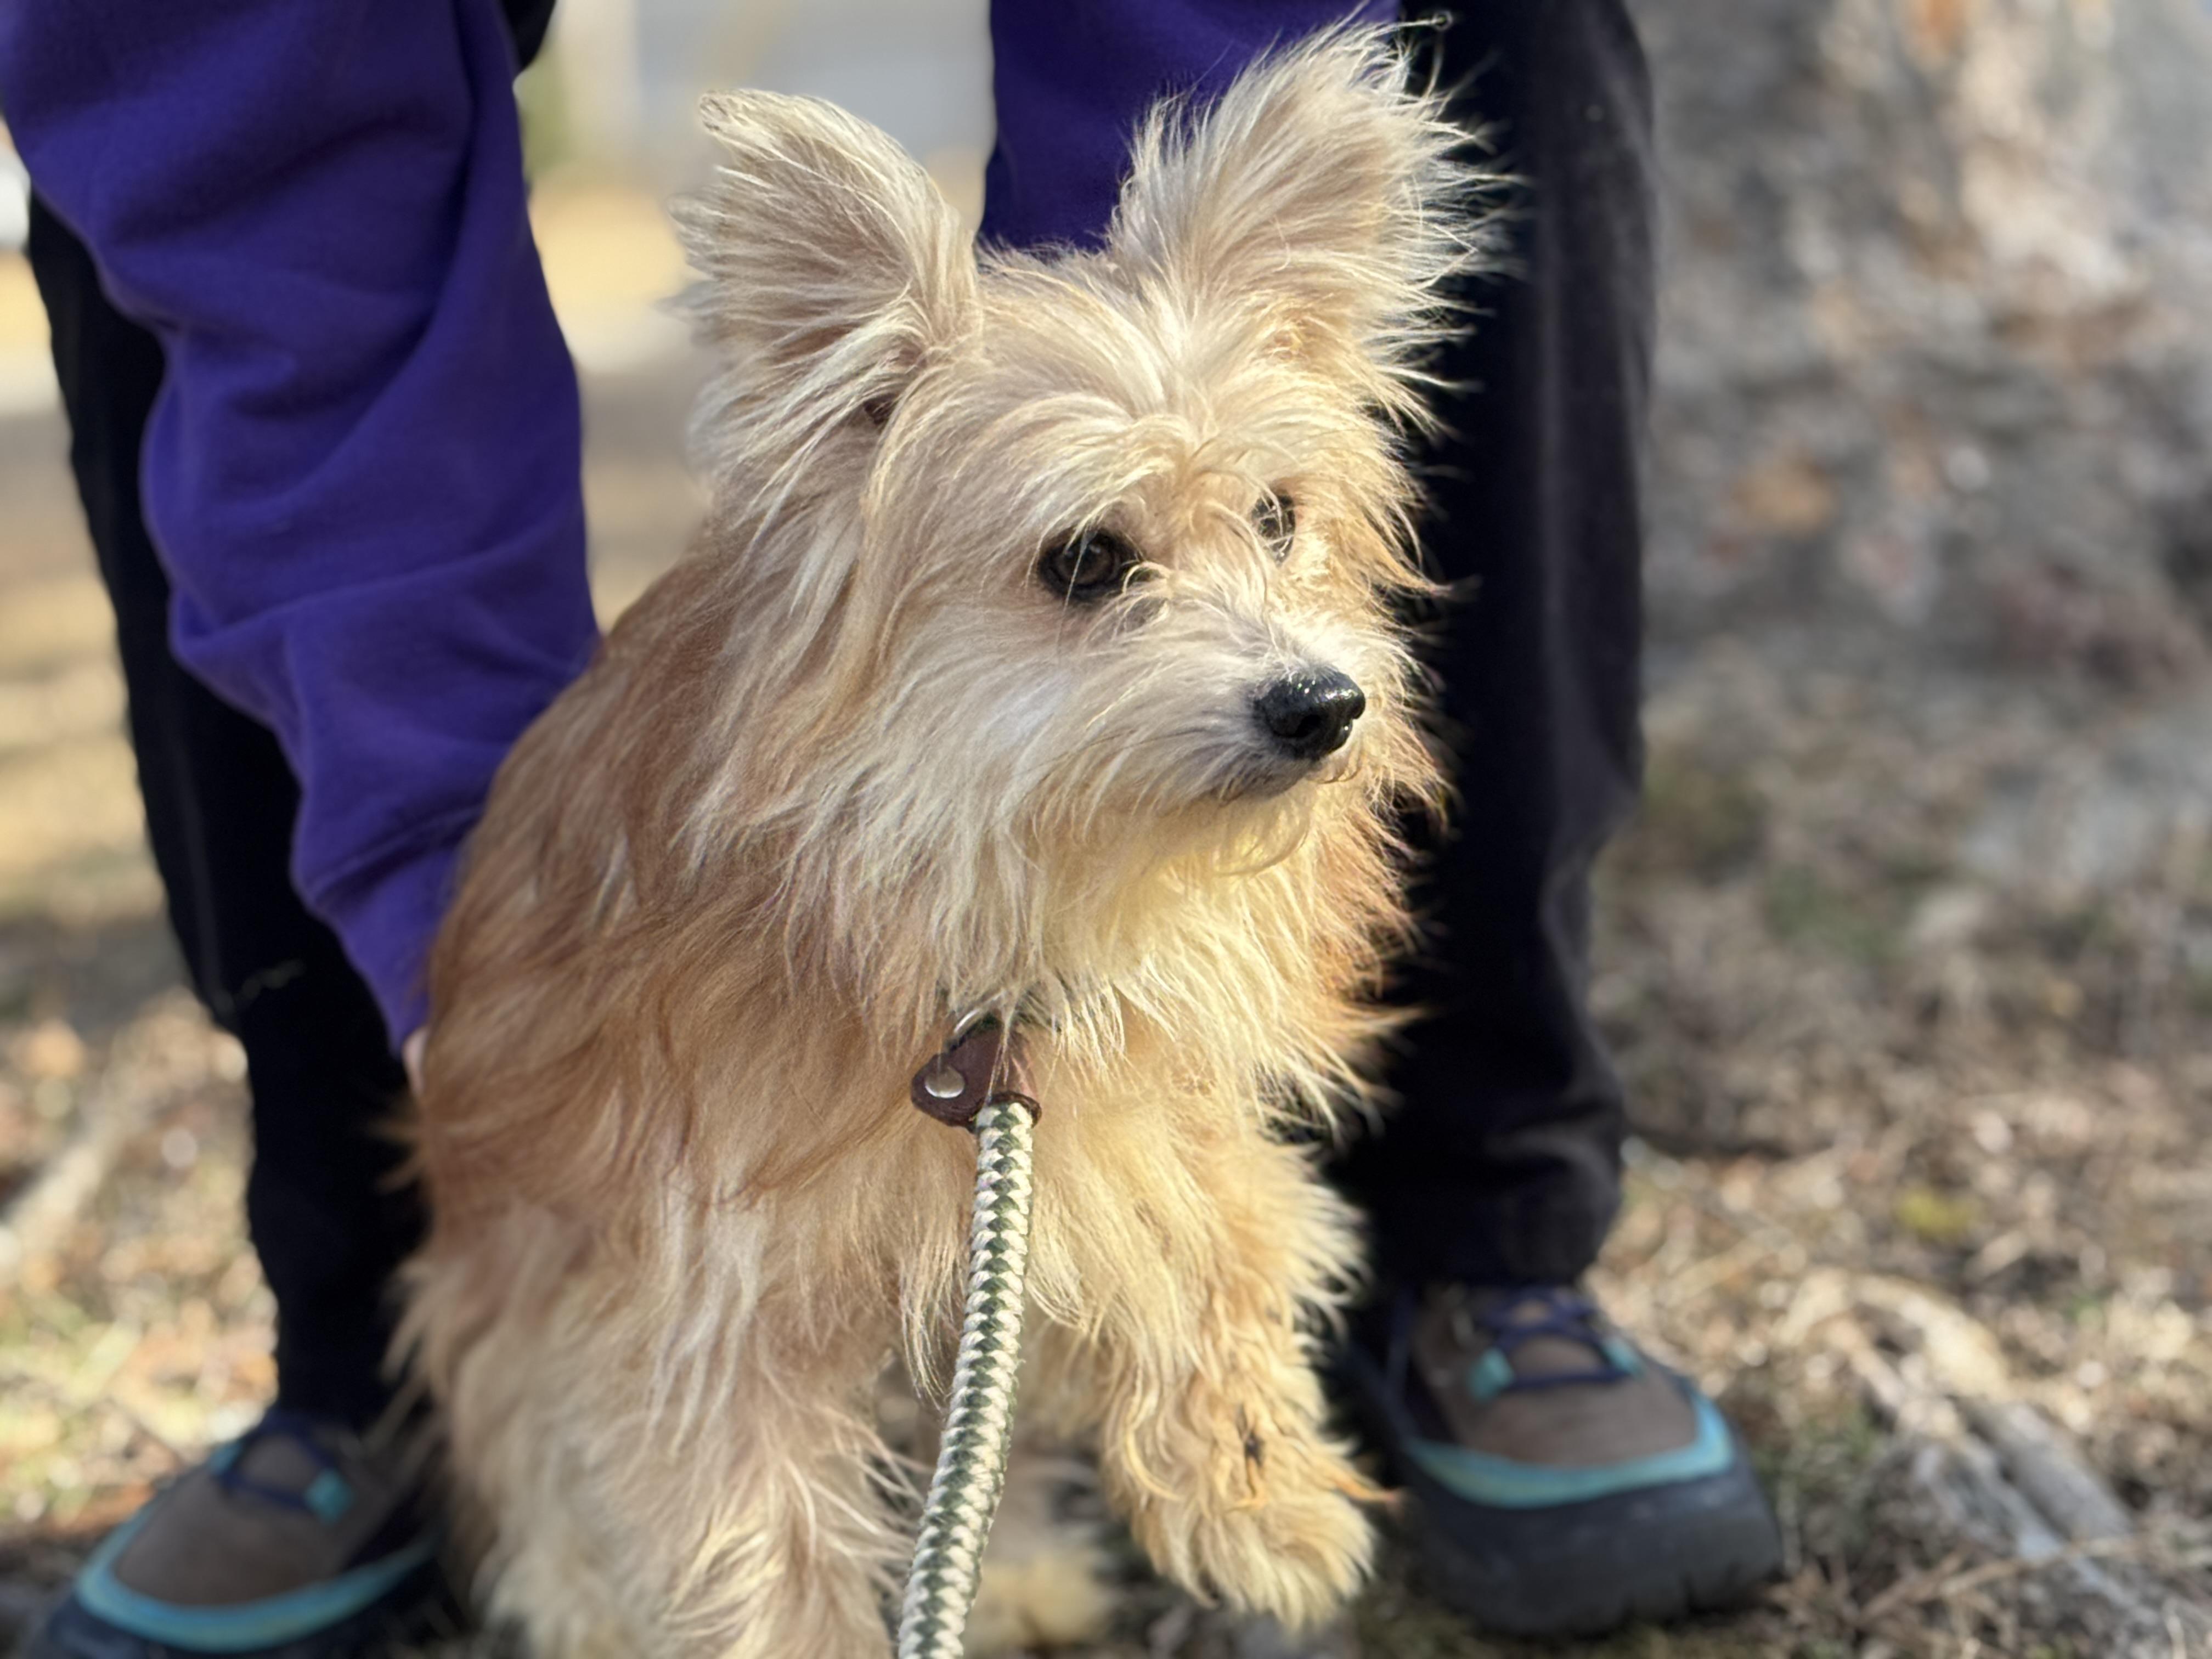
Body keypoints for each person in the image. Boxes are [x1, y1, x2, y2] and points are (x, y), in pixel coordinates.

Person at [2, 1, 1782, 1652]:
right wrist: (434, 885)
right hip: (682, 904)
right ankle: (372, 1377)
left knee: (1494, 21)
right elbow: (262, 167)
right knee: (655, 1278)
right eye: (1095, 567)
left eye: (1279, 526)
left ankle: (1474, 1251)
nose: (1297, 657)